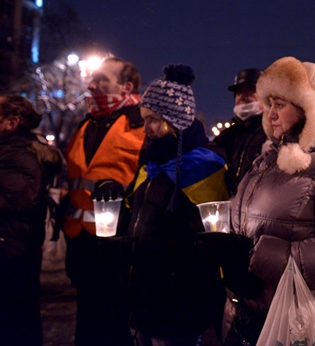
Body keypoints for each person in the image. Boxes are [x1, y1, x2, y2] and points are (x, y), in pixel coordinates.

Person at [223, 56, 315, 346]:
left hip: (305, 324)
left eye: (280, 105)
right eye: (268, 104)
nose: (270, 114)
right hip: (253, 316)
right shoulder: (266, 161)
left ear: (310, 109)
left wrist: (253, 258)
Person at [125, 63, 229, 345]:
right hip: (145, 290)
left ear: (176, 122)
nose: (145, 129)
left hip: (177, 297)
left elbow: (208, 242)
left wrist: (161, 251)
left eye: (154, 120)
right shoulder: (153, 163)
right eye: (144, 119)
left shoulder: (204, 167)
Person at [61, 56, 145, 345]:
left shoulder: (143, 126)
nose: (91, 84)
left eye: (101, 80)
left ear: (126, 87)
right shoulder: (85, 125)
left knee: (116, 329)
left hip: (118, 249)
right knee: (87, 328)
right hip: (81, 245)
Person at [0, 94, 62, 346]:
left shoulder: (18, 157)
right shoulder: (11, 153)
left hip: (10, 255)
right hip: (12, 252)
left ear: (11, 122)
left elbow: (9, 200)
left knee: (14, 325)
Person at [214, 68, 267, 196]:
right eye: (239, 92)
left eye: (251, 90)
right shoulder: (225, 137)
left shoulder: (271, 133)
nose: (244, 96)